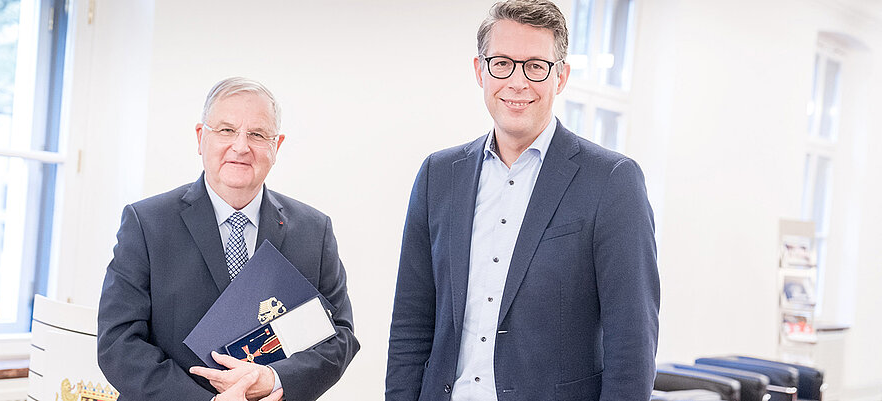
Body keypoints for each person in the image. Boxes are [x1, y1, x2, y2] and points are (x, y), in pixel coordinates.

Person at [385, 1, 660, 400]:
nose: (517, 82)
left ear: (561, 76)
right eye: (502, 63)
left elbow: (632, 349)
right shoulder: (438, 175)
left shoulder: (612, 181)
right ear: (480, 70)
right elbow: (411, 323)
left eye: (535, 66)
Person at [98, 77, 359, 401]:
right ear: (200, 137)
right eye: (226, 130)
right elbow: (118, 342)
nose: (240, 146)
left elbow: (340, 337)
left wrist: (275, 378)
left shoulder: (313, 230)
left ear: (275, 146)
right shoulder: (148, 223)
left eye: (257, 134)